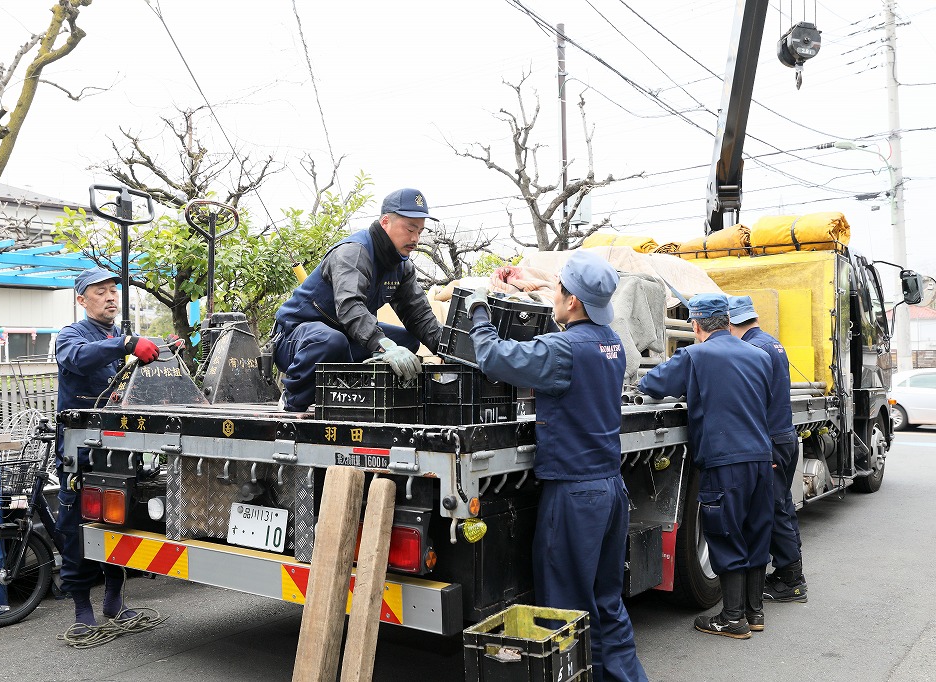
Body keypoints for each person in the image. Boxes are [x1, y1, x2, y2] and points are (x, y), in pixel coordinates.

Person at [466, 250, 648, 681]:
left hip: (574, 495)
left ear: (573, 302)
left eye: (559, 290)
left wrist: (478, 305)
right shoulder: (612, 344)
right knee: (606, 602)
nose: (555, 295)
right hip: (609, 489)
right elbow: (566, 342)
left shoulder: (563, 350)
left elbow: (492, 355)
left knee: (561, 612)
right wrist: (535, 287)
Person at [638, 293, 774, 639]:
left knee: (725, 534)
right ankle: (754, 614)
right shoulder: (759, 356)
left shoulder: (694, 355)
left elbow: (651, 384)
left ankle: (732, 619)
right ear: (728, 321)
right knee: (756, 531)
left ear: (695, 324)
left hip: (724, 462)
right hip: (760, 458)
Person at [54, 267, 165, 635]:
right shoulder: (71, 336)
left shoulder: (121, 335)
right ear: (81, 300)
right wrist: (125, 345)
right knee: (76, 524)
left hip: (119, 444)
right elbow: (78, 358)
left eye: (113, 290)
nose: (110, 297)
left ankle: (115, 598)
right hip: (81, 447)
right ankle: (81, 607)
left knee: (121, 518)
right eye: (100, 292)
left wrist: (159, 356)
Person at [272, 188, 443, 411]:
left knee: (407, 343)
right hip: (295, 338)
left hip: (345, 336)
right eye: (410, 229)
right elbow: (350, 306)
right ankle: (293, 399)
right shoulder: (354, 252)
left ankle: (356, 397)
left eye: (420, 231)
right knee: (332, 341)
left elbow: (420, 317)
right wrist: (383, 345)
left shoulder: (402, 267)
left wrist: (455, 350)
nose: (415, 239)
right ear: (385, 222)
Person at [728, 295, 808, 604]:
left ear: (732, 323)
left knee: (773, 509)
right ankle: (790, 570)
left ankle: (791, 579)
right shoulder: (772, 343)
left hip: (770, 441)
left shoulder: (752, 349)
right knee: (783, 505)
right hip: (784, 436)